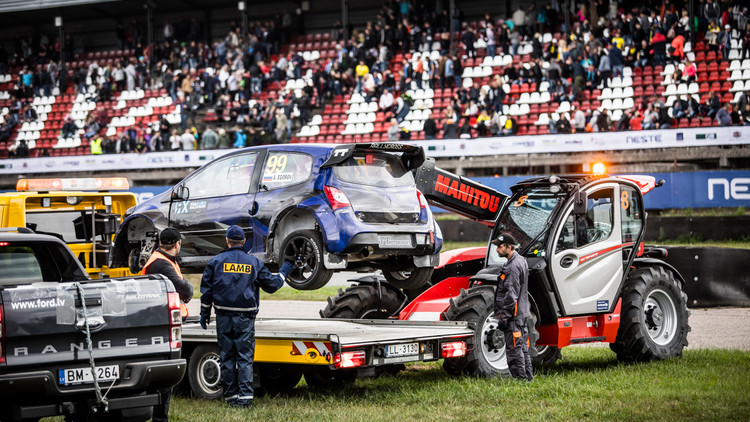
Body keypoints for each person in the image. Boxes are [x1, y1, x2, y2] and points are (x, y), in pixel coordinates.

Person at [199, 226, 294, 408]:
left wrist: (204, 314)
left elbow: (206, 292)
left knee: (227, 357)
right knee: (244, 358)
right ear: (244, 242)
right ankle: (245, 399)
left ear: (227, 241)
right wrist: (284, 271)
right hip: (244, 319)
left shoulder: (216, 262)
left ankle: (231, 398)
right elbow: (272, 285)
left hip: (223, 318)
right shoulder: (253, 263)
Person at [141, 228, 194, 422]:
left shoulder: (161, 260)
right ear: (177, 244)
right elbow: (184, 288)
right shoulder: (162, 264)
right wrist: (187, 287)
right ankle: (160, 418)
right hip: (163, 324)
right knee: (165, 375)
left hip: (162, 322)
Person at [491, 233, 532, 382]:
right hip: (521, 313)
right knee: (522, 348)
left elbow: (511, 295)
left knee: (514, 349)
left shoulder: (513, 267)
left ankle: (520, 380)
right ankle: (528, 378)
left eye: (499, 246)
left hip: (513, 316)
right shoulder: (521, 260)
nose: (497, 250)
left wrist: (504, 317)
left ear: (509, 247)